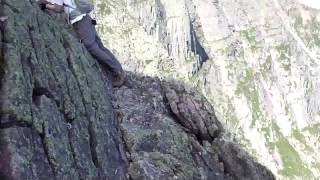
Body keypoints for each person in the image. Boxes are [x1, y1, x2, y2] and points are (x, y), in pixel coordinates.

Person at [38, 0, 125, 87]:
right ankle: (118, 68)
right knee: (100, 47)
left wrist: (46, 6)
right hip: (86, 19)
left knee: (91, 47)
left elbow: (59, 8)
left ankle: (117, 72)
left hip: (81, 21)